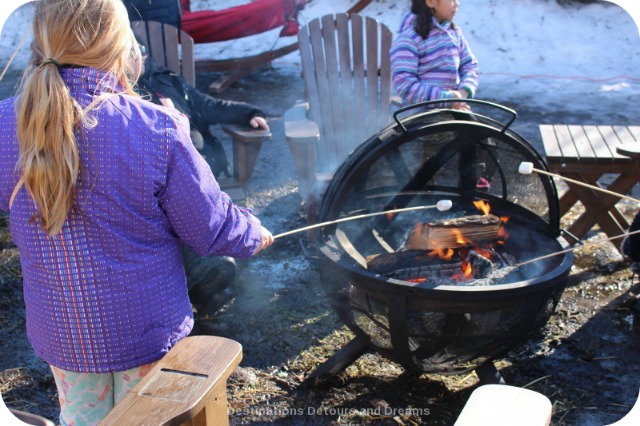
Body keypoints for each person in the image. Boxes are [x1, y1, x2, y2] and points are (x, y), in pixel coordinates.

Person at [0, 1, 273, 425]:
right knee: (150, 418)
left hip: (62, 330)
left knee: (81, 417)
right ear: (121, 46)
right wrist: (253, 233)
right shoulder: (156, 127)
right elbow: (210, 230)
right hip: (144, 331)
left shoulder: (5, 123)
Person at [135, 45, 270, 318]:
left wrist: (249, 112)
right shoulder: (121, 96)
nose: (137, 55)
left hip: (201, 172)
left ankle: (212, 277)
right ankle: (205, 276)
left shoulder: (168, 80)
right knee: (175, 210)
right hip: (157, 181)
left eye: (140, 50)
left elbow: (207, 105)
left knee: (191, 207)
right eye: (129, 50)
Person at [390, 0, 479, 111]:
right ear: (431, 2)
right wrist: (448, 99)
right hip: (420, 117)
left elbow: (469, 66)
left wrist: (463, 92)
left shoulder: (455, 33)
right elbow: (405, 86)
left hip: (455, 110)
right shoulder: (409, 39)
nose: (457, 3)